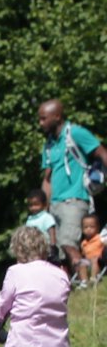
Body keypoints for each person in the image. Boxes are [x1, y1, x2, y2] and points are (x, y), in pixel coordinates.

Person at [37, 99, 107, 278]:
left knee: (68, 242)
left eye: (44, 118)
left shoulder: (75, 133)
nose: (40, 123)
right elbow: (47, 178)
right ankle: (69, 285)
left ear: (57, 116)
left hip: (75, 199)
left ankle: (87, 281)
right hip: (54, 204)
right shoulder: (49, 145)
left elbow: (101, 153)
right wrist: (43, 210)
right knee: (56, 251)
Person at [23, 189, 59, 261]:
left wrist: (53, 246)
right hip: (32, 250)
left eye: (36, 204)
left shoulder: (46, 217)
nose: (33, 208)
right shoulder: (29, 220)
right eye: (31, 205)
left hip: (45, 249)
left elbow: (52, 232)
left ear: (44, 204)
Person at [80, 213, 102, 283]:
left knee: (94, 260)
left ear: (97, 228)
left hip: (99, 260)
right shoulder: (83, 242)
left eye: (92, 227)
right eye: (86, 227)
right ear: (82, 229)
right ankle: (84, 281)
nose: (88, 229)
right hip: (88, 260)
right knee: (81, 263)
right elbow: (83, 253)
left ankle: (93, 278)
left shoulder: (100, 238)